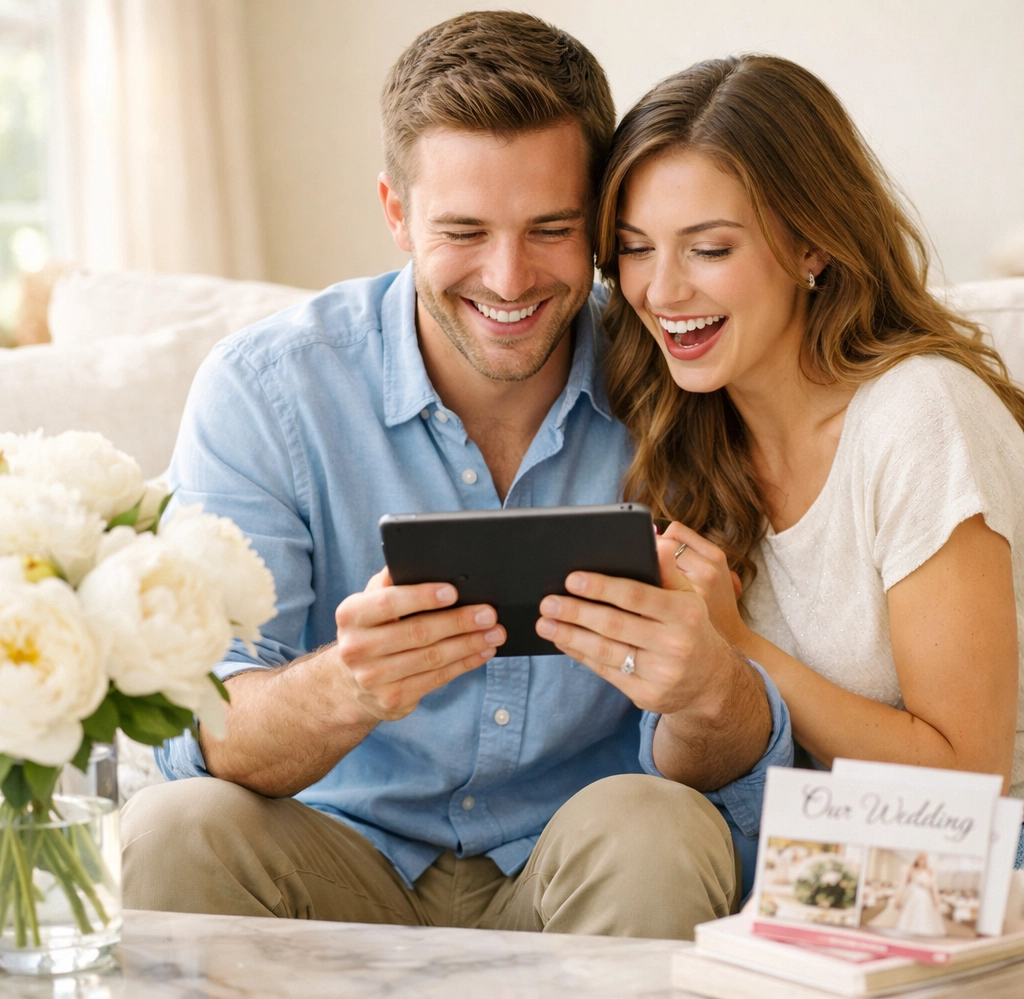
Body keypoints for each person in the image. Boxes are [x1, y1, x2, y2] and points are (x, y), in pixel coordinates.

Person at [119, 14, 792, 939]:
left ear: (600, 221)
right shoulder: (268, 389)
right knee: (173, 827)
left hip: (576, 862)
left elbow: (723, 767)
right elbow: (195, 720)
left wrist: (709, 688)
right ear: (396, 212)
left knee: (659, 825)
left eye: (551, 228)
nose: (509, 279)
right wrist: (347, 687)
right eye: (464, 230)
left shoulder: (680, 375)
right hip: (332, 855)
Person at [551, 55, 1024, 852]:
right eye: (634, 249)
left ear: (812, 246)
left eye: (708, 249)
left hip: (982, 859)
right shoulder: (690, 425)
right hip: (812, 858)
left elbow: (966, 782)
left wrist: (736, 647)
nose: (661, 291)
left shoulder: (918, 417)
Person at [894, 854, 946, 937]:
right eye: (920, 858)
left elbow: (933, 886)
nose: (922, 861)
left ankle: (923, 934)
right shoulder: (911, 869)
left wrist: (936, 898)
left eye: (924, 859)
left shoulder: (929, 870)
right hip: (913, 896)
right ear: (916, 859)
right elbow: (902, 884)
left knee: (924, 913)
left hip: (925, 896)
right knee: (911, 914)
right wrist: (897, 898)